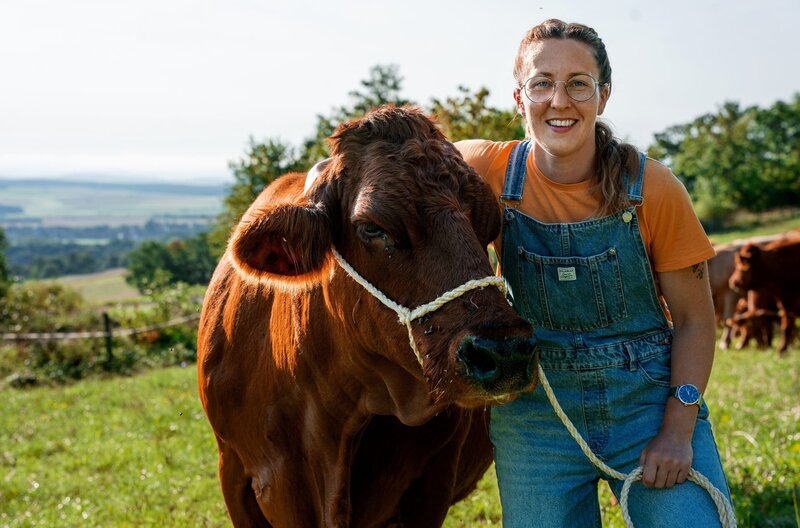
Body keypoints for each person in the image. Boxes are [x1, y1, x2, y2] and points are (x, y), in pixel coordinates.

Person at [454, 18, 733, 528]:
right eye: (542, 83)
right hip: (536, 413)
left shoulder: (653, 188)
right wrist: (328, 173)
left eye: (578, 84)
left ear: (603, 96)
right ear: (519, 98)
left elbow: (695, 321)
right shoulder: (483, 171)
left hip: (647, 405)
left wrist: (677, 431)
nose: (559, 101)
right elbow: (398, 166)